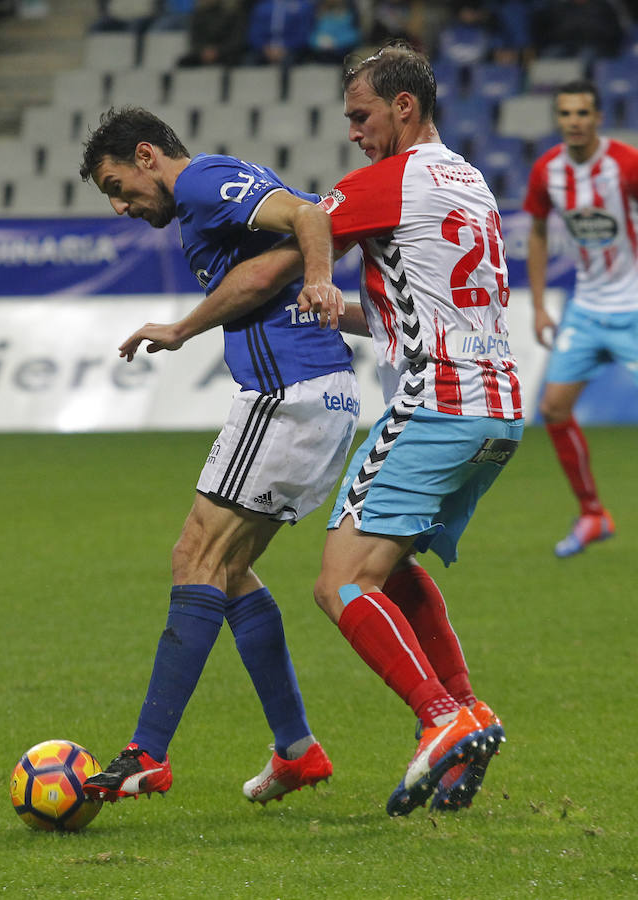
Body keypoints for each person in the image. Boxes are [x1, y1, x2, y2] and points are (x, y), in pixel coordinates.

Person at [145, 43, 524, 816]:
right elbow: (401, 313)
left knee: (340, 580)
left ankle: (439, 720)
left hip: (433, 402)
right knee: (391, 565)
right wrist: (336, 311)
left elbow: (274, 263)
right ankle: (468, 712)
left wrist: (190, 325)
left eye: (362, 115)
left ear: (404, 107)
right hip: (499, 403)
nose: (354, 132)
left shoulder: (388, 179)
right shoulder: (470, 181)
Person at [78, 106, 360, 805]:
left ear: (148, 155)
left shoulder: (203, 180)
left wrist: (186, 326)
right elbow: (274, 260)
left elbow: (311, 216)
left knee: (195, 558)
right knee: (229, 571)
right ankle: (297, 751)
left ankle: (147, 753)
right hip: (314, 396)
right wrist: (302, 272)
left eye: (119, 185)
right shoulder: (205, 205)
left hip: (286, 394)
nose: (120, 205)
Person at [524, 79, 637, 558]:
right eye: (566, 113)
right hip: (586, 309)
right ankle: (593, 514)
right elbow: (536, 234)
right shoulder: (547, 170)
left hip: (634, 306)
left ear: (597, 118)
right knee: (552, 408)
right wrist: (538, 304)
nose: (574, 121)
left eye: (582, 113)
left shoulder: (626, 165)